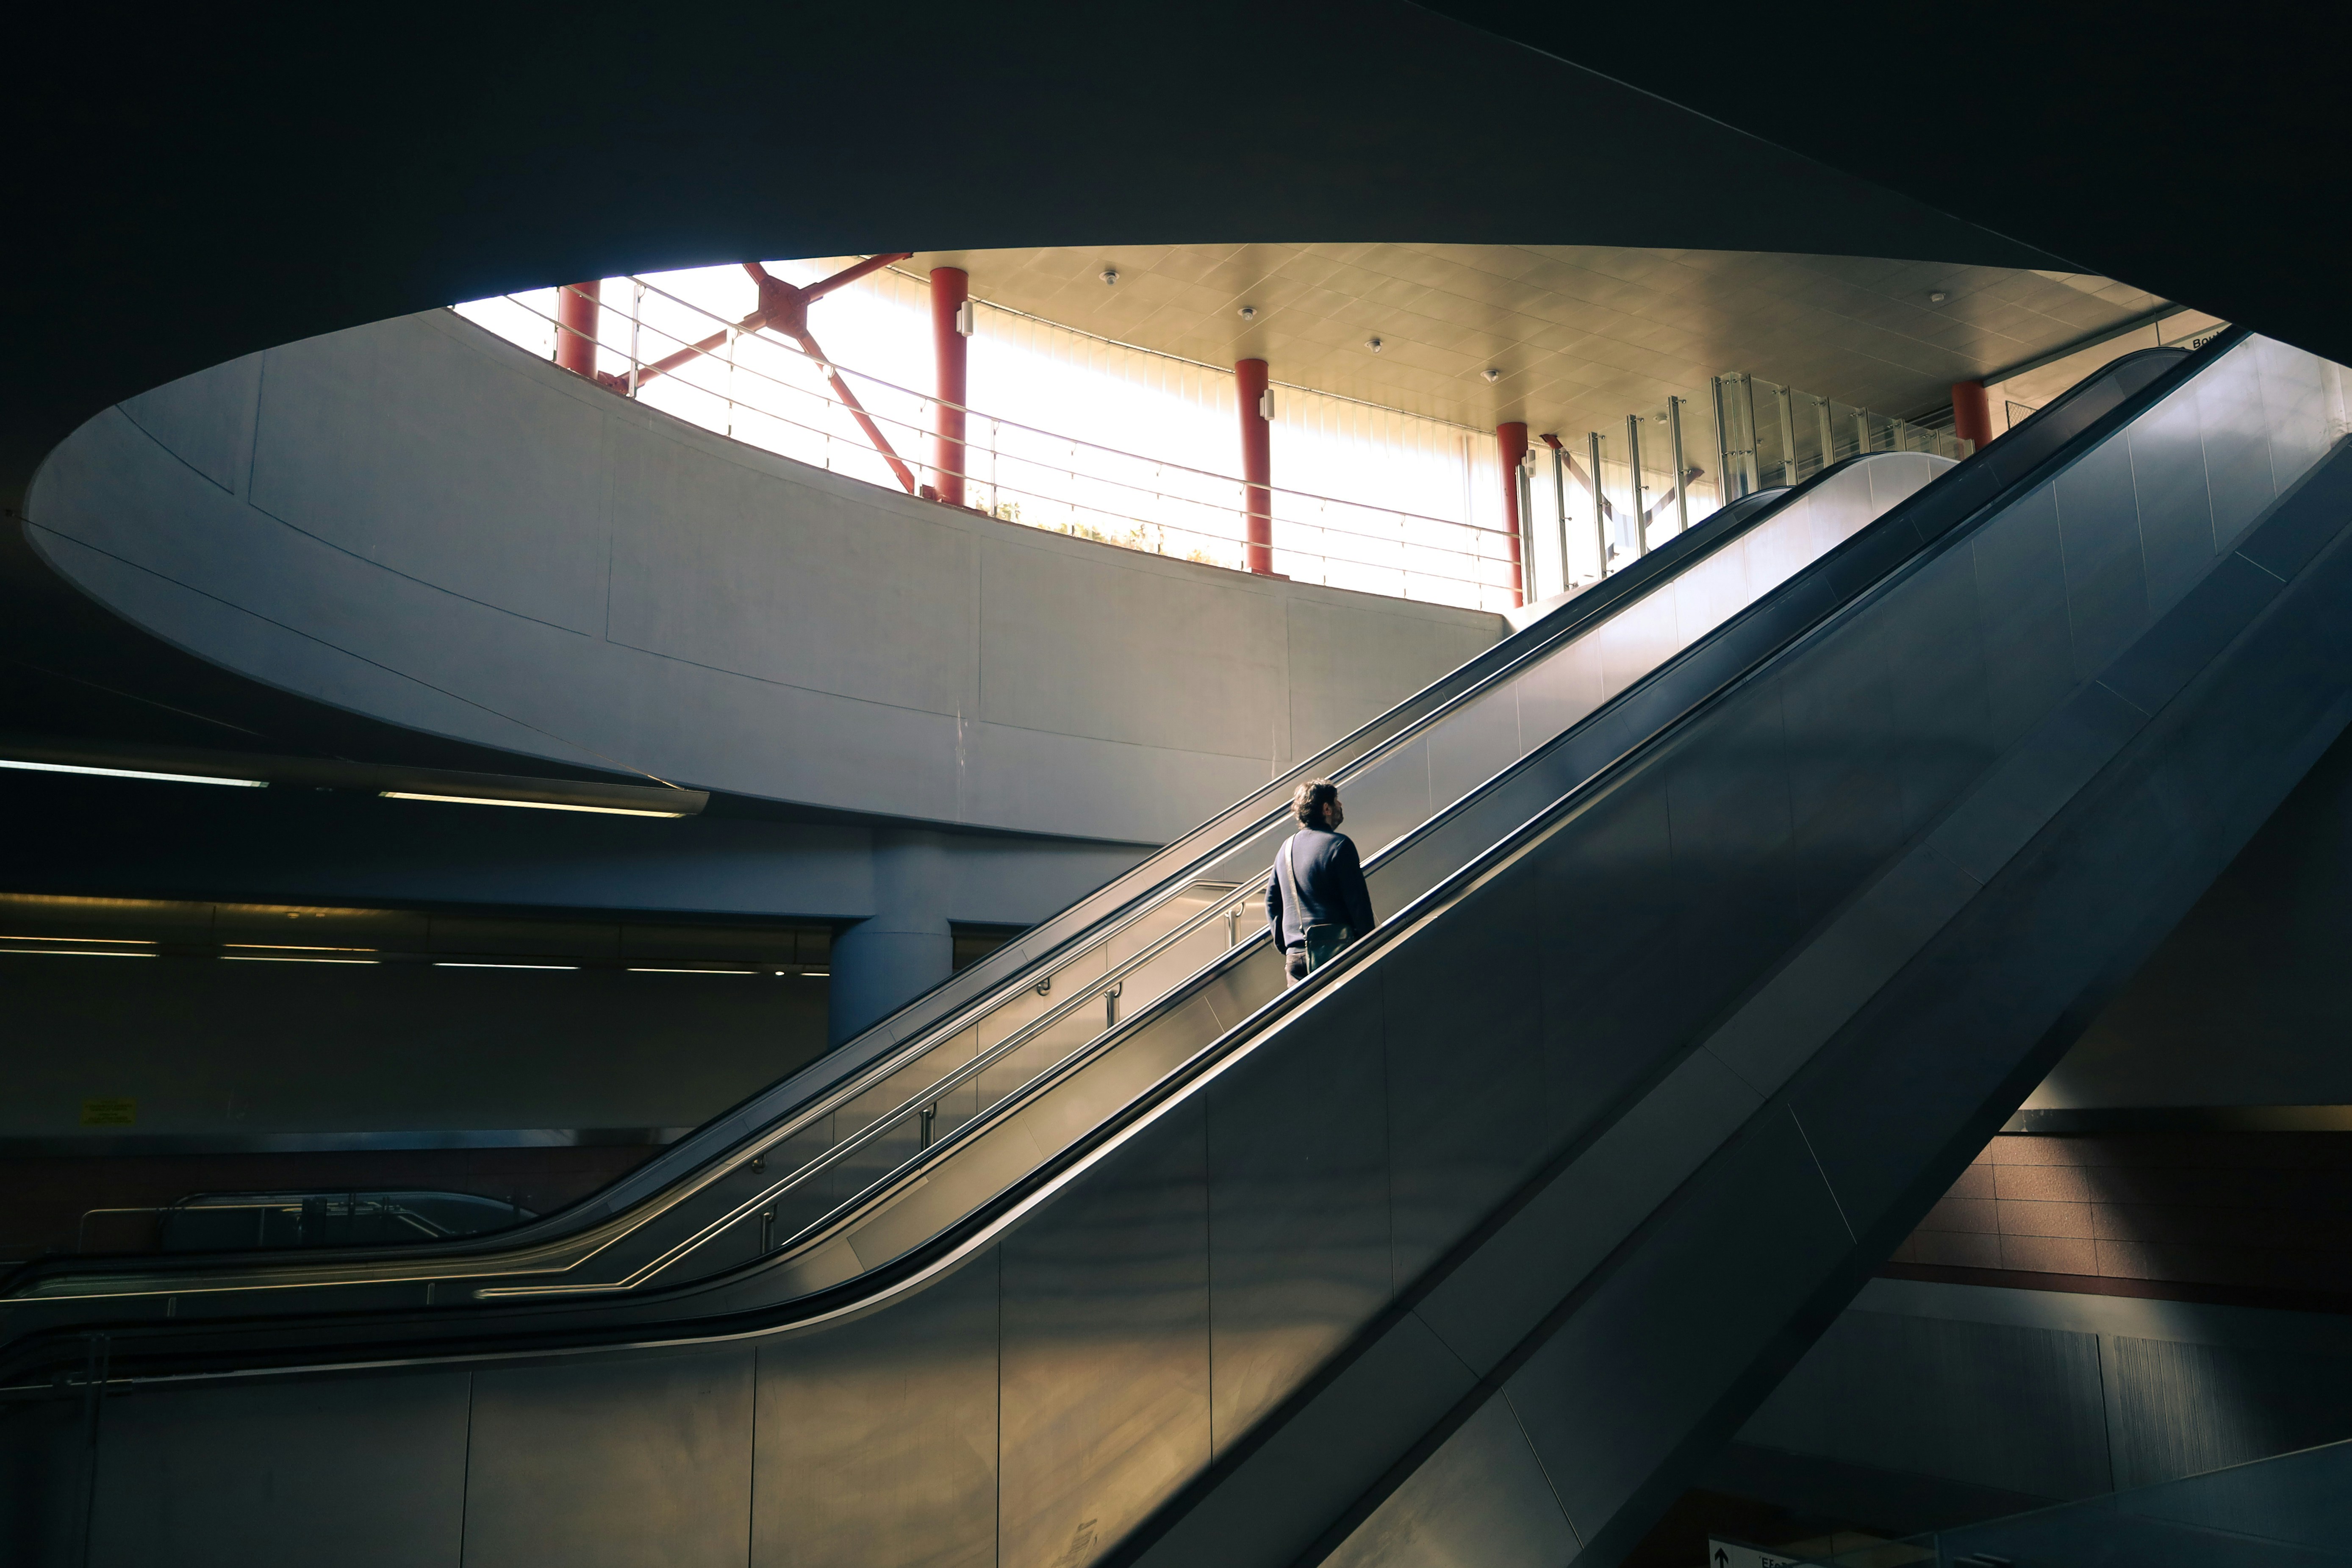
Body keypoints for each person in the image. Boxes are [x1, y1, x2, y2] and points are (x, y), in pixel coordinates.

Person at [1266, 778, 1376, 987]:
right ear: (1326, 808)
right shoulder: (1340, 845)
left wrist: (1287, 943)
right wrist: (1369, 942)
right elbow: (1358, 903)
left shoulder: (1286, 850)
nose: (1340, 806)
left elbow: (1271, 902)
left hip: (1296, 957)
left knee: (1303, 1017)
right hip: (1336, 952)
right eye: (1336, 801)